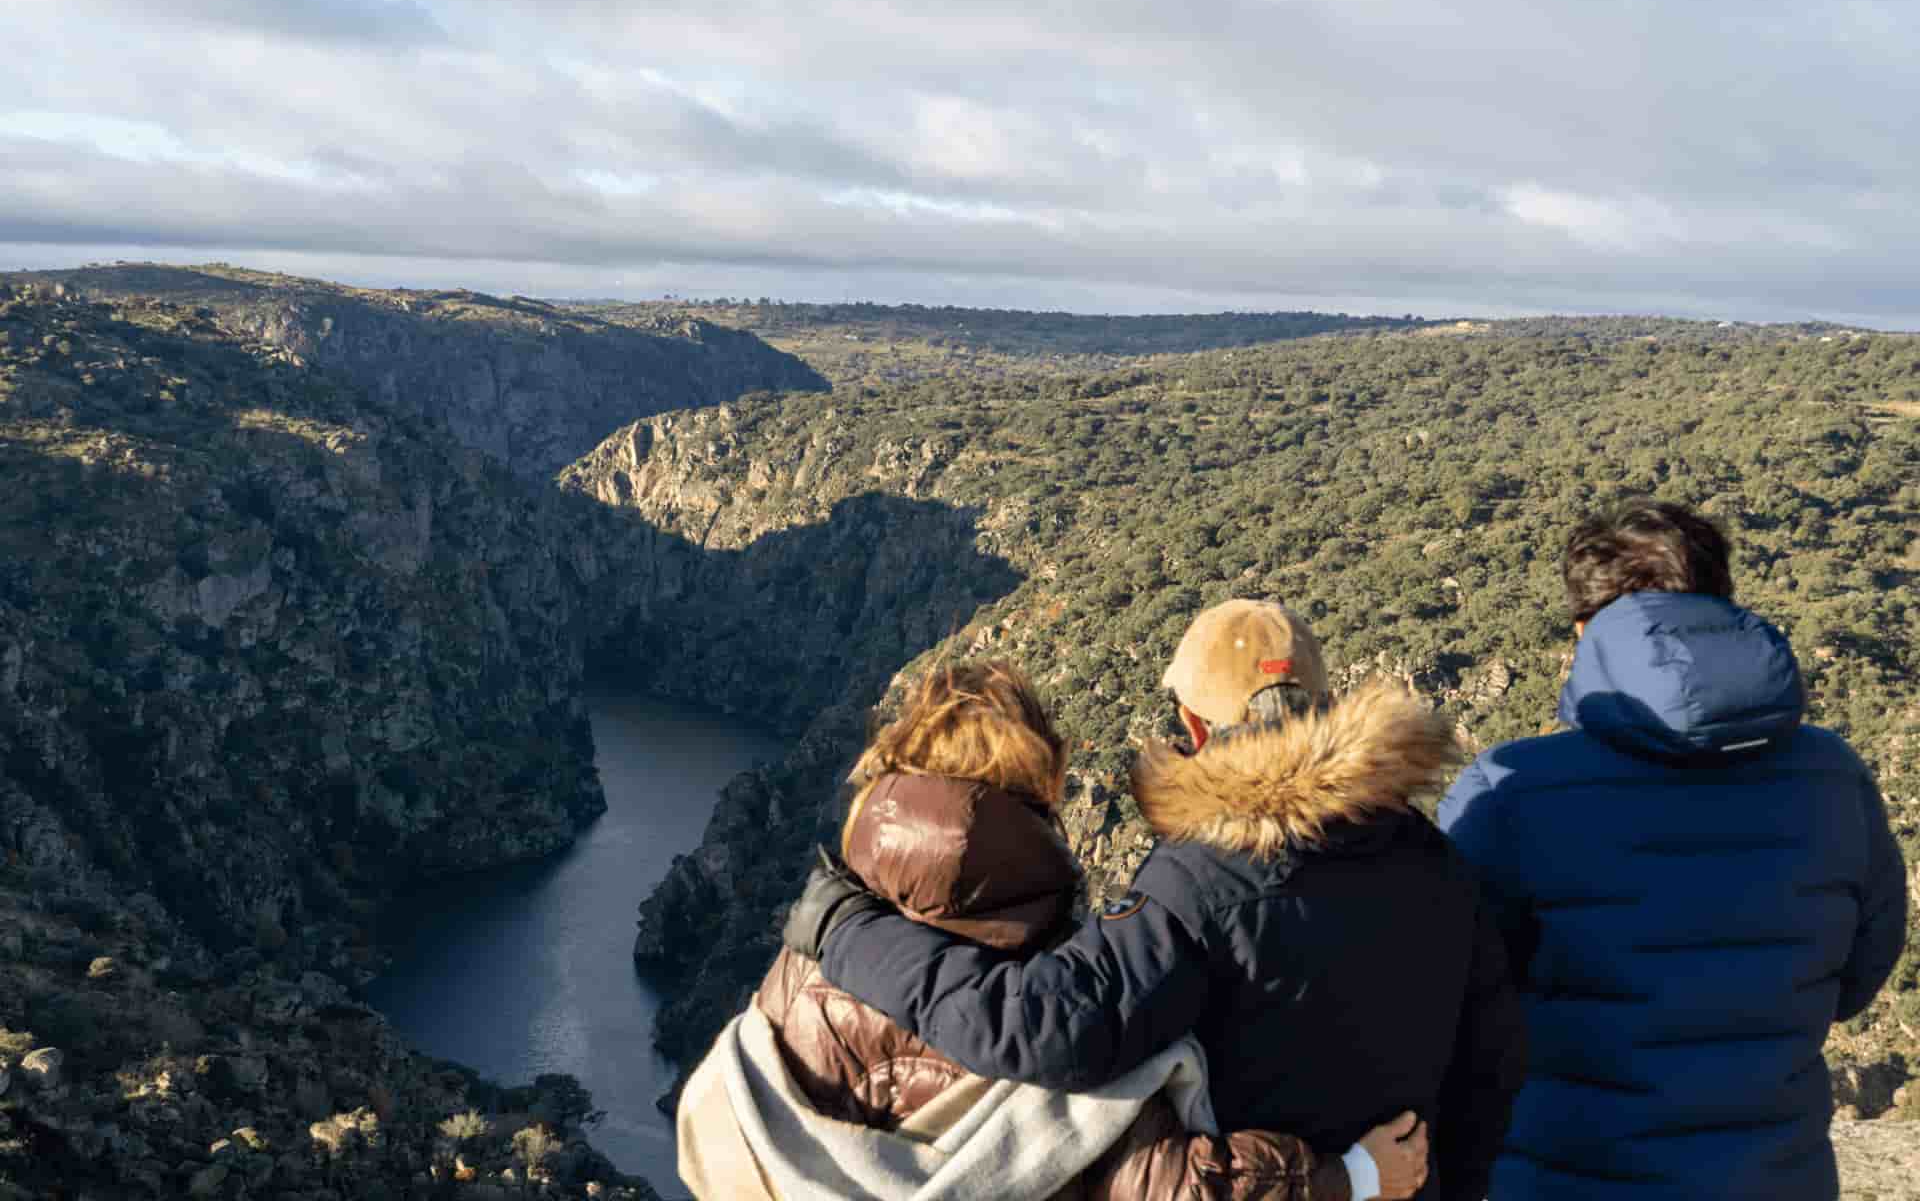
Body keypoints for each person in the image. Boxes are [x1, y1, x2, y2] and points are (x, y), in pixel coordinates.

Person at [787, 604, 1525, 1201]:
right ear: (1327, 706)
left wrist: (846, 928)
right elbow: (1488, 1074)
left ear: (1196, 727)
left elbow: (1046, 1030)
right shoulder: (1438, 866)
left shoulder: (1203, 882)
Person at [680, 658, 1429, 1200]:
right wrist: (1348, 1177)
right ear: (1039, 783)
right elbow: (1166, 1189)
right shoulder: (1058, 982)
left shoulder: (814, 944)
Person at [1436, 499, 1909, 1200]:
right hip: (1776, 1179)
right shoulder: (1834, 776)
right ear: (1721, 605)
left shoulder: (1510, 789)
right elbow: (1861, 973)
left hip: (1567, 1177)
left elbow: (1450, 994)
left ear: (1583, 630)